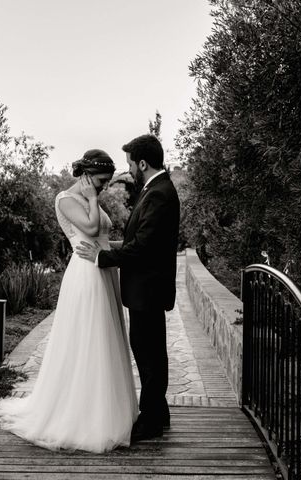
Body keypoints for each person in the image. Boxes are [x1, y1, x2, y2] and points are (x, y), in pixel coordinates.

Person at [0, 149, 138, 453]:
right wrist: (94, 199)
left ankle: (107, 410)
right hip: (86, 274)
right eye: (100, 181)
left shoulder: (89, 197)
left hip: (104, 270)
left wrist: (131, 249)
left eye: (107, 183)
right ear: (86, 175)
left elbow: (104, 239)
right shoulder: (66, 199)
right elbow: (93, 229)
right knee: (88, 340)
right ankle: (82, 418)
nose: (103, 187)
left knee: (105, 340)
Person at [77, 134, 180, 443]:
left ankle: (150, 422)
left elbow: (144, 247)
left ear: (143, 163)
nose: (129, 170)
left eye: (131, 164)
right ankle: (158, 413)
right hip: (147, 289)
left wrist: (102, 257)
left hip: (147, 289)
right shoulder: (155, 190)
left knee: (148, 355)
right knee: (151, 353)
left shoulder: (159, 193)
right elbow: (141, 241)